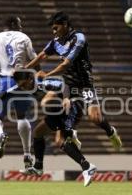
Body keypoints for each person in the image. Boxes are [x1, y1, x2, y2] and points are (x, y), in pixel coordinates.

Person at [25, 11, 122, 151]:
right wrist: (25, 68)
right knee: (47, 100)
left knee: (95, 118)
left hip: (84, 85)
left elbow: (65, 65)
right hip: (67, 84)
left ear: (65, 25)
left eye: (55, 28)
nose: (53, 31)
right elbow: (42, 55)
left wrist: (47, 75)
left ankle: (110, 131)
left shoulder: (78, 38)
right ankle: (69, 131)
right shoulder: (56, 41)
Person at [12, 70, 95, 187]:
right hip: (58, 112)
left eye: (25, 84)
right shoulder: (28, 87)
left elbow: (65, 85)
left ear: (31, 78)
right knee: (38, 133)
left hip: (72, 105)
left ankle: (86, 165)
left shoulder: (43, 83)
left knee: (59, 137)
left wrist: (65, 98)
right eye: (21, 86)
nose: (24, 87)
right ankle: (38, 167)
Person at [0, 16, 37, 171]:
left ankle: (0, 136)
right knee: (22, 116)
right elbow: (35, 60)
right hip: (22, 81)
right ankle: (27, 155)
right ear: (14, 24)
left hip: (3, 82)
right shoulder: (24, 37)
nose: (21, 27)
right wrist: (40, 77)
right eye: (20, 24)